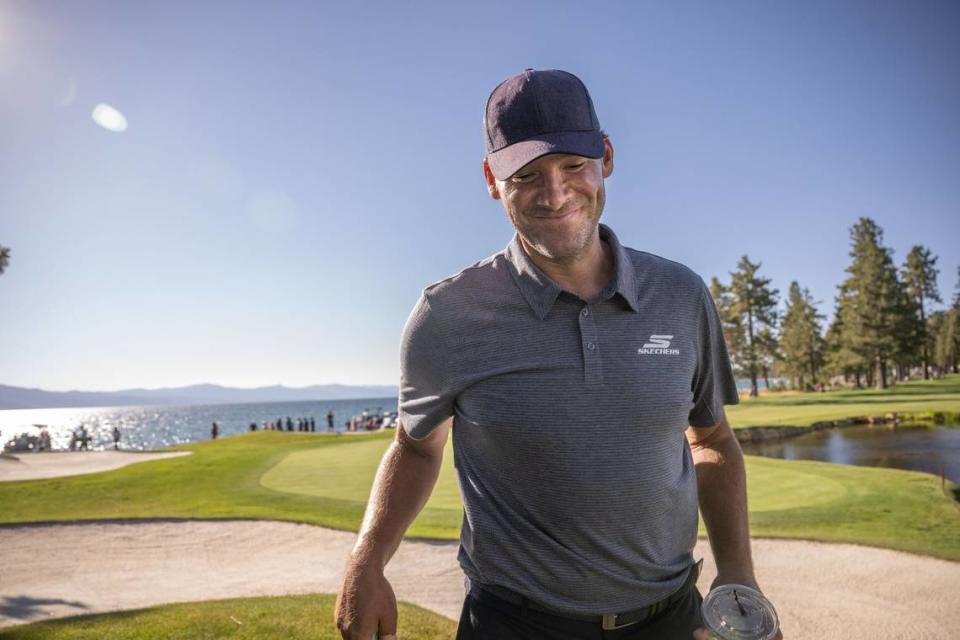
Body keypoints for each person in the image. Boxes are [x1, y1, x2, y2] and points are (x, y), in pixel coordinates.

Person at [337, 68, 783, 640]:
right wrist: (366, 559)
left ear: (606, 156)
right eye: (526, 175)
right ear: (492, 181)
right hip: (513, 624)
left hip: (672, 619)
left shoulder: (681, 295)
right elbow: (416, 450)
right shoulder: (447, 315)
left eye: (573, 165)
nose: (555, 193)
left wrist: (738, 578)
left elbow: (712, 441)